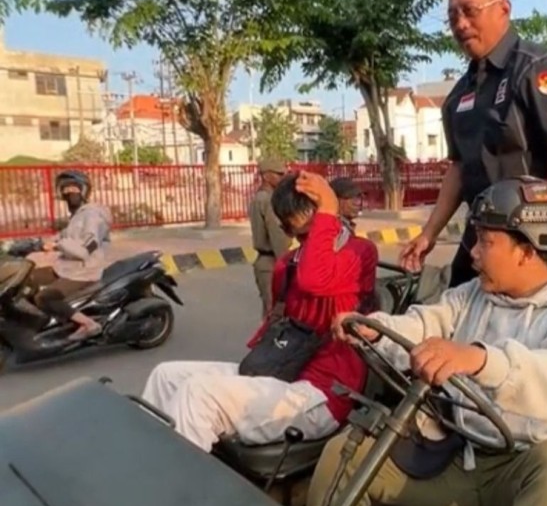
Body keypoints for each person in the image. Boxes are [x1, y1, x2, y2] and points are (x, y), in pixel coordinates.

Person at [307, 176, 547, 506]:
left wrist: (481, 361)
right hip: (454, 459)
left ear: (527, 250)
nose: (474, 253)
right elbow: (426, 324)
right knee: (347, 452)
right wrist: (376, 329)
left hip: (520, 480)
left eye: (486, 242)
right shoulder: (473, 294)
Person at [141, 172, 379, 453]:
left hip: (322, 394)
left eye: (314, 227)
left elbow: (315, 280)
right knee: (165, 375)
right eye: (300, 233)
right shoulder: (287, 265)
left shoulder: (360, 252)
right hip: (282, 372)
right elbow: (277, 319)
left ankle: (180, 492)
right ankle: (149, 462)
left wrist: (327, 209)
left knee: (199, 394)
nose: (306, 238)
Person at [399, 0, 547, 288]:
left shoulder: (536, 68)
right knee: (458, 313)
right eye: (453, 16)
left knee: (526, 330)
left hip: (529, 241)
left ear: (503, 9)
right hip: (481, 239)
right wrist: (428, 234)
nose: (461, 23)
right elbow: (459, 168)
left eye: (470, 11)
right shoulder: (458, 96)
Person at [29, 170, 112, 341]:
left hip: (85, 272)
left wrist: (58, 245)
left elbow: (84, 251)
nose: (69, 193)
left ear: (83, 190)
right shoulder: (77, 216)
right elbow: (63, 235)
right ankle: (42, 320)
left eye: (74, 188)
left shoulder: (93, 216)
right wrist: (34, 244)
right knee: (27, 278)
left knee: (46, 297)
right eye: (65, 190)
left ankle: (88, 324)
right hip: (67, 268)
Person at [249, 158, 292, 317]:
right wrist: (286, 263)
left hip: (265, 262)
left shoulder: (259, 197)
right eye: (279, 174)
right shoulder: (269, 200)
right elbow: (277, 237)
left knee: (269, 310)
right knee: (275, 314)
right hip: (273, 262)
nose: (283, 178)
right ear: (266, 176)